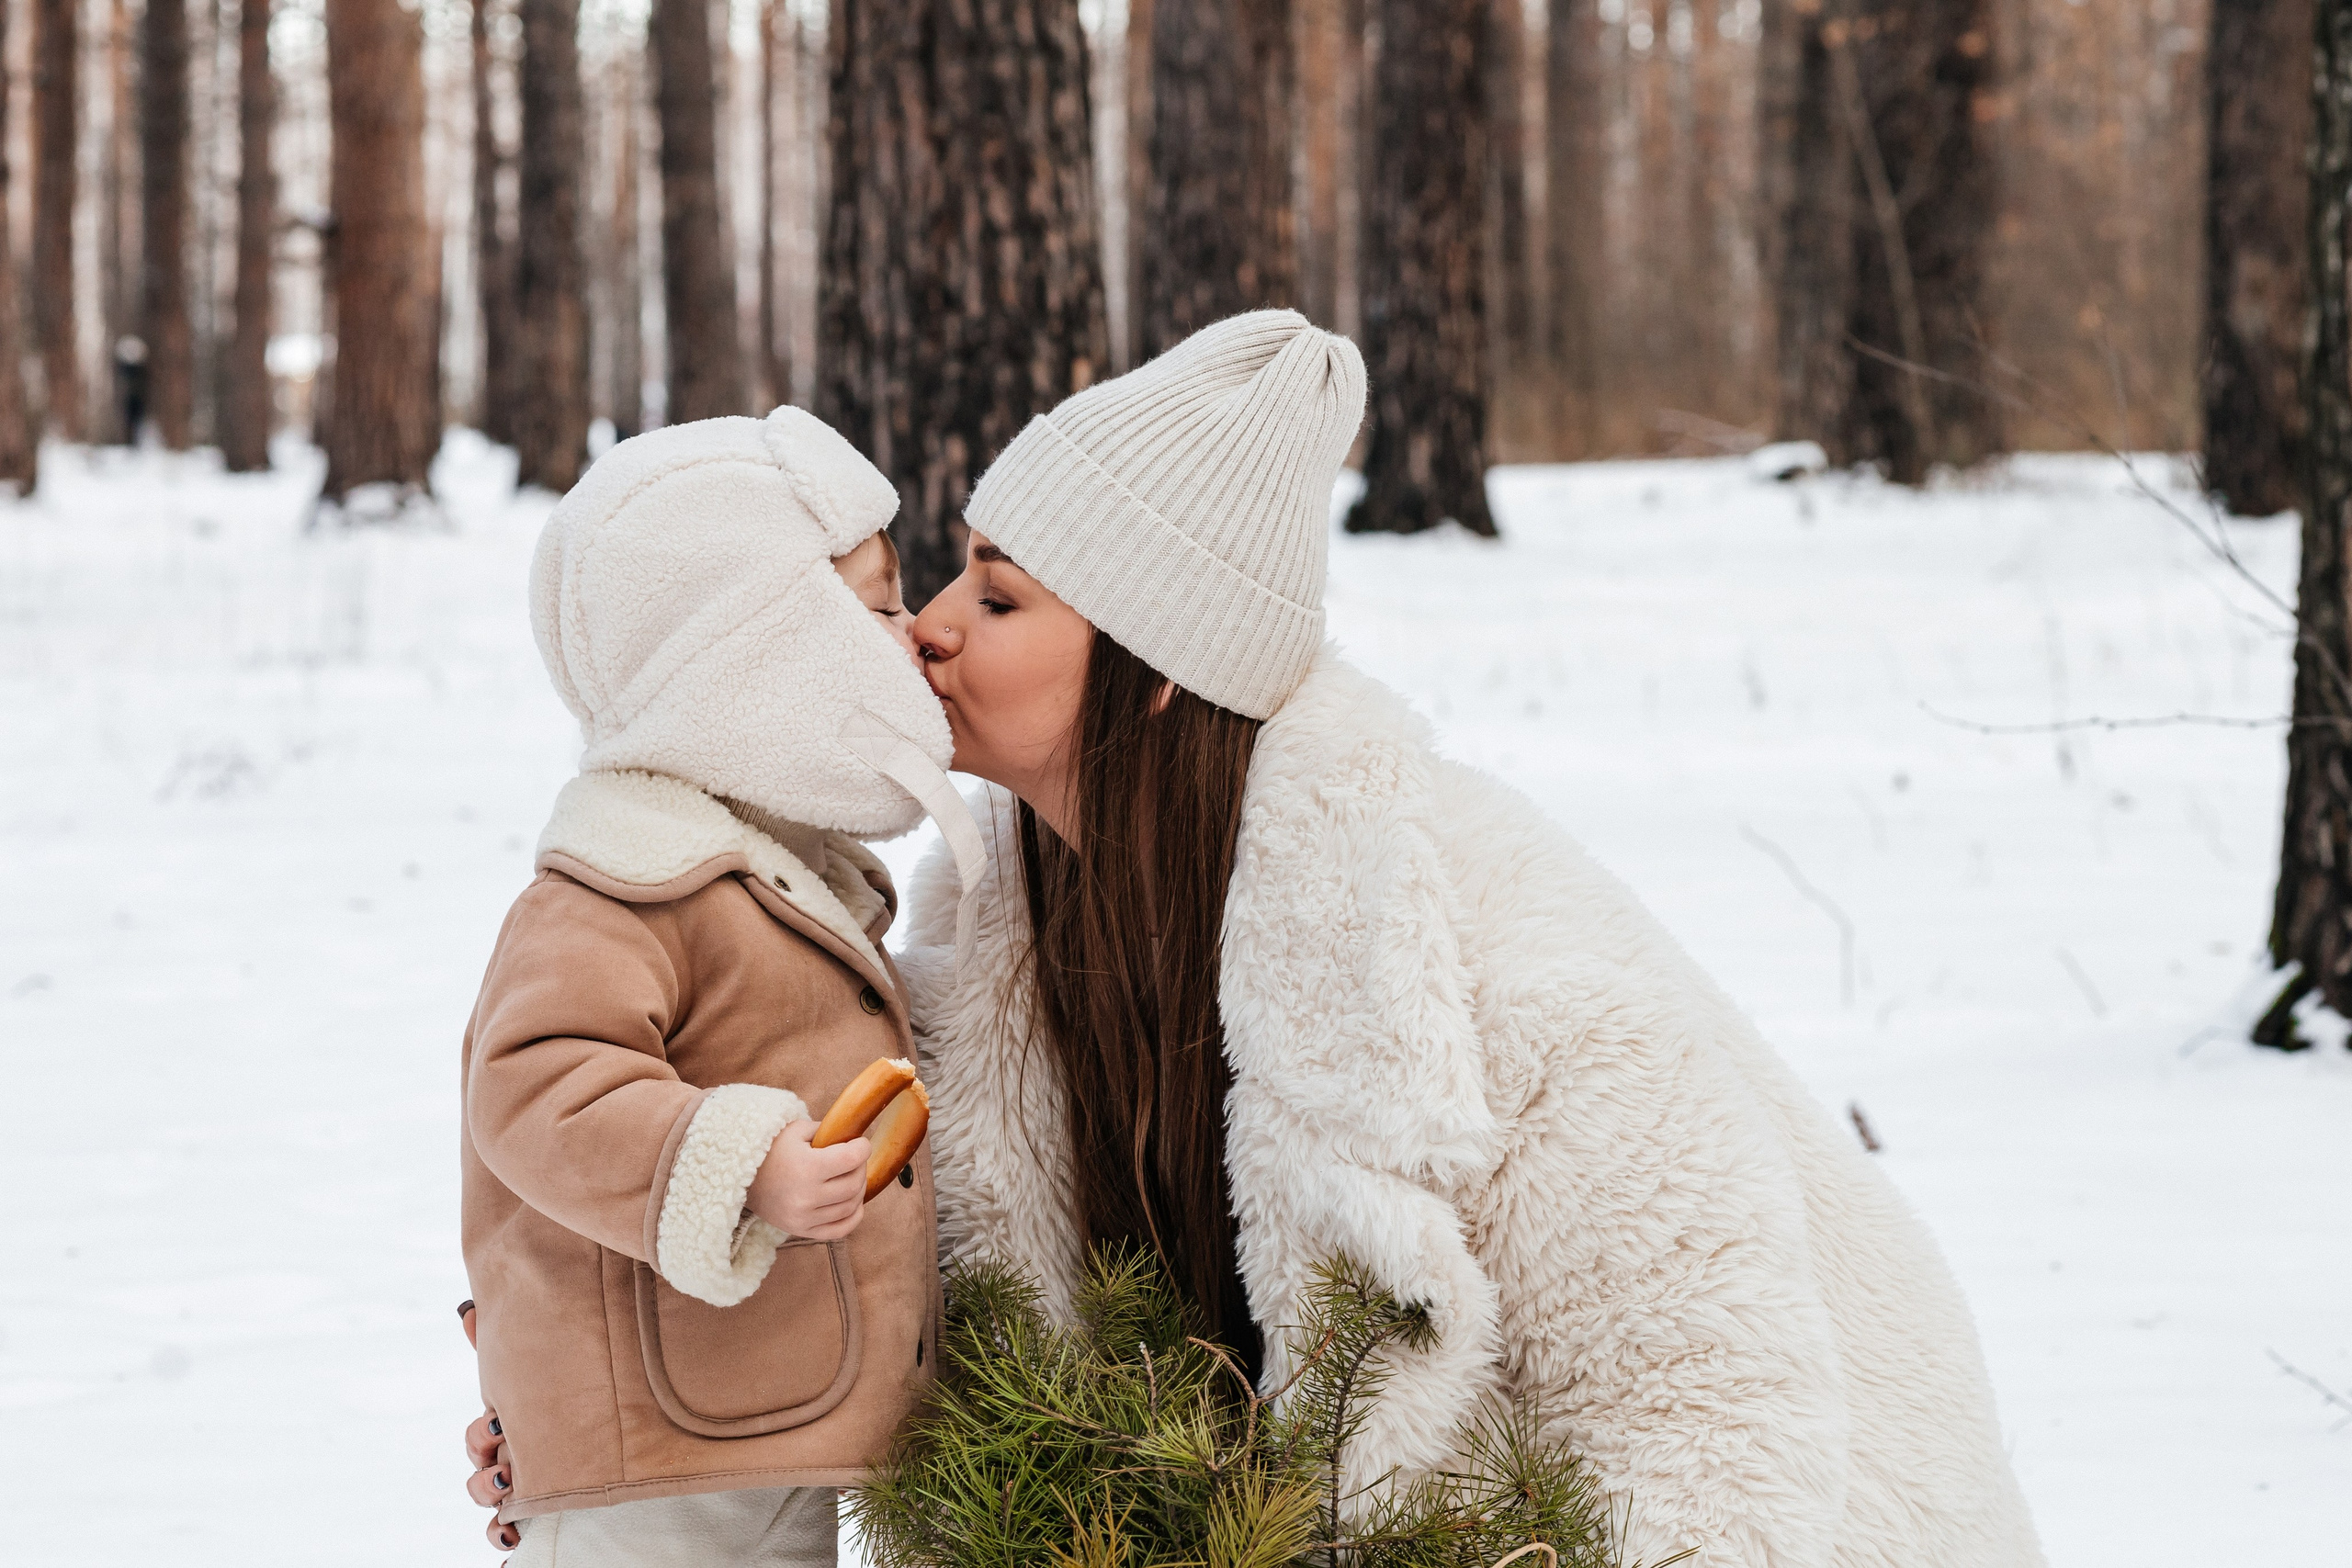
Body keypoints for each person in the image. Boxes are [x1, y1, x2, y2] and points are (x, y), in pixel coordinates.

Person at [474, 312, 2044, 1565]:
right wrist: (599, 1416)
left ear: (1156, 673)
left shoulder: (1481, 947)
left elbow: (1710, 1408)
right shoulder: (1004, 946)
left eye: (1002, 599)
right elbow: (843, 1237)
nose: (932, 627)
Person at [459, 404, 970, 1566]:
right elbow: (536, 1087)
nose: (913, 635)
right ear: (760, 655)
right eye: (878, 606)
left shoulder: (765, 871)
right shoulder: (627, 877)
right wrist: (739, 1162)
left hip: (749, 1420)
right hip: (657, 1454)